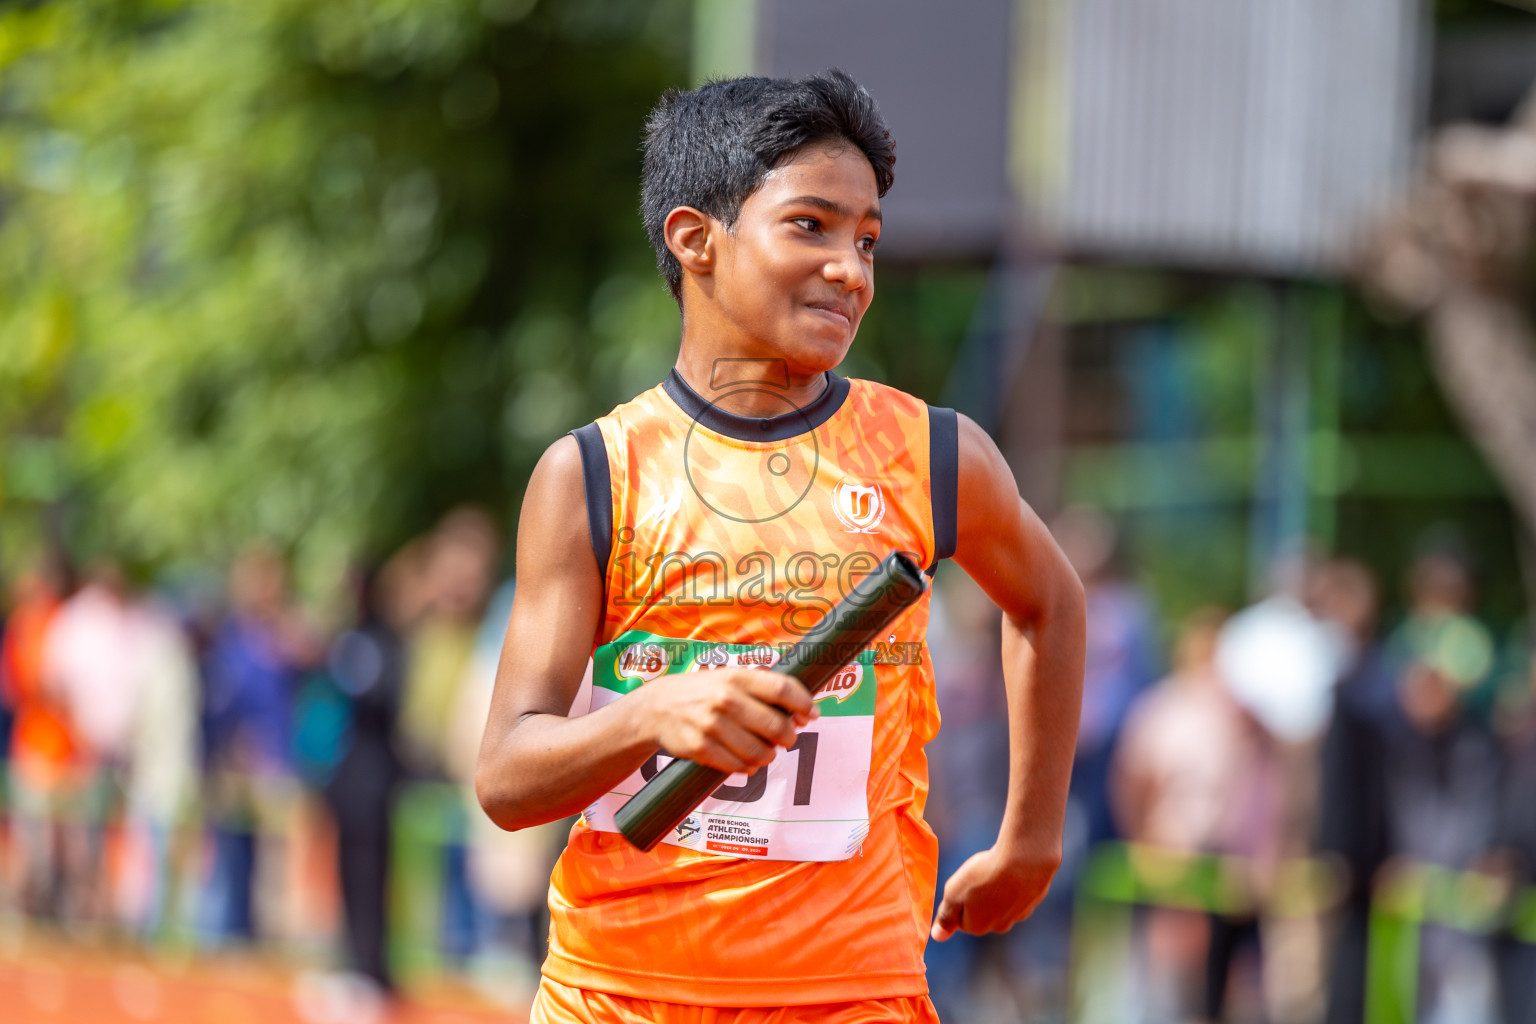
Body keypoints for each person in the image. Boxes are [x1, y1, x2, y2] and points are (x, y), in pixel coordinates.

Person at [475, 70, 1086, 1022]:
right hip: (620, 993)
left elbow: (1050, 605)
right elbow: (508, 777)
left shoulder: (932, 456)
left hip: (851, 993)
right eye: (811, 225)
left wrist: (1030, 839)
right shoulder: (591, 474)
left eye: (868, 239)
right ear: (696, 239)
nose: (852, 268)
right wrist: (654, 715)